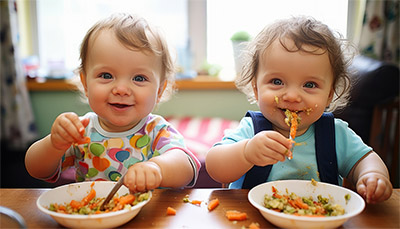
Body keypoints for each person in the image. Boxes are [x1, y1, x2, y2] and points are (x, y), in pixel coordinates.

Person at [205, 16, 392, 204]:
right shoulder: (251, 130)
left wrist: (372, 175)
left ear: (329, 94)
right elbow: (215, 167)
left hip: (319, 220)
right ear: (256, 88)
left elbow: (365, 160)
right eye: (277, 82)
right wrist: (245, 153)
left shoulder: (335, 133)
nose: (292, 96)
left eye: (309, 84)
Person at [25, 13, 200, 192]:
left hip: (149, 218)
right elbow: (36, 169)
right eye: (106, 76)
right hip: (90, 217)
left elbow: (186, 167)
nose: (121, 89)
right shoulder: (81, 131)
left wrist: (158, 168)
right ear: (85, 83)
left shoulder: (156, 130)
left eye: (139, 78)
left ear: (159, 90)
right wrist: (54, 144)